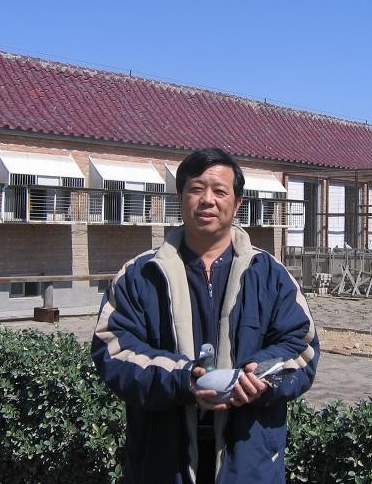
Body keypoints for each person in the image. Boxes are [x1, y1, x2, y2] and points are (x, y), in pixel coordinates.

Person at [92, 148, 319, 483]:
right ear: (180, 197)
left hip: (249, 461)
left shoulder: (271, 275)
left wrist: (261, 377)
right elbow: (113, 350)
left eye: (220, 191)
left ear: (237, 203)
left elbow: (301, 348)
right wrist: (183, 379)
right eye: (196, 189)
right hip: (163, 462)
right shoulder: (140, 275)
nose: (207, 200)